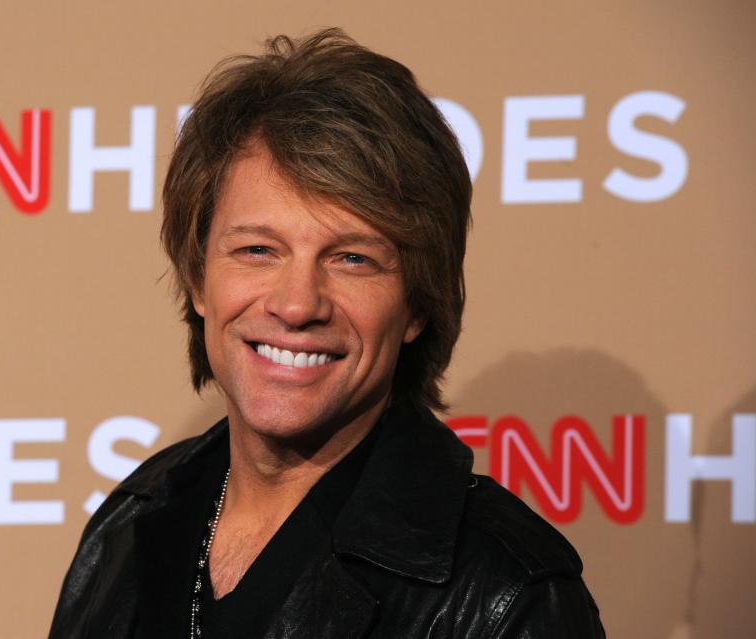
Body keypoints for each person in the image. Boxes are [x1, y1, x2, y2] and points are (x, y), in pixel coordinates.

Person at [48, 29, 605, 638]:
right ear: (198, 279)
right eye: (258, 249)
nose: (296, 304)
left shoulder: (507, 596)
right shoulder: (127, 527)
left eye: (353, 259)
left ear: (417, 305)